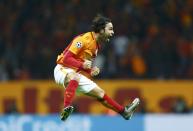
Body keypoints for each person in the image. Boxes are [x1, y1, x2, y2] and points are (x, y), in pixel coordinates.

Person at [54, 14, 140, 121]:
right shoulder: (84, 39)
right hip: (61, 69)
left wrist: (90, 70)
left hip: (74, 74)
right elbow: (66, 59)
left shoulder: (96, 46)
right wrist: (82, 65)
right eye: (110, 29)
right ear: (101, 30)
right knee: (75, 76)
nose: (112, 32)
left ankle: (124, 112)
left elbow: (82, 64)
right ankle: (66, 108)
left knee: (100, 93)